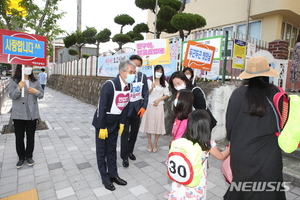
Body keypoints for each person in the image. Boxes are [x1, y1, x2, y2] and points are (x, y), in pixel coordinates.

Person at [224, 57, 286, 199]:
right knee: (268, 192)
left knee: (242, 190)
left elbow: (230, 127)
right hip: (269, 154)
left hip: (241, 154)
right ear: (267, 74)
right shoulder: (276, 93)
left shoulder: (237, 94)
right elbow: (283, 122)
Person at [92, 60, 136, 191]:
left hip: (115, 123)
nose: (133, 74)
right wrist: (102, 126)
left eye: (134, 72)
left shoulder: (128, 86)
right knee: (102, 151)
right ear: (122, 72)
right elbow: (102, 107)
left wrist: (122, 123)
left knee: (111, 150)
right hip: (103, 123)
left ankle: (113, 175)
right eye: (131, 72)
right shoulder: (110, 85)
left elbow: (125, 106)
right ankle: (105, 177)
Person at [167, 109, 230, 200]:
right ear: (206, 126)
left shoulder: (181, 140)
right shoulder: (207, 144)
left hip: (180, 179)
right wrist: (231, 148)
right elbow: (221, 156)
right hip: (196, 181)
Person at [8, 64, 44, 169]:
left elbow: (41, 94)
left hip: (32, 113)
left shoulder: (35, 81)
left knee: (30, 137)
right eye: (26, 65)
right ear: (20, 67)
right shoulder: (14, 81)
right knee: (19, 137)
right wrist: (19, 87)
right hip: (18, 114)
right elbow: (12, 96)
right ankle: (21, 157)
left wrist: (35, 91)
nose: (28, 67)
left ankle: (29, 156)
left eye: (30, 66)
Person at [120, 55, 149, 168]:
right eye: (134, 65)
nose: (136, 67)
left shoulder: (143, 77)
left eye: (138, 65)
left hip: (137, 109)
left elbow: (145, 93)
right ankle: (124, 156)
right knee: (124, 133)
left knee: (134, 133)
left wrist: (144, 106)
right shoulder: (124, 76)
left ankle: (130, 151)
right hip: (125, 109)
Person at [139, 65, 170, 152]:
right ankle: (149, 143)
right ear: (154, 71)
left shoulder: (164, 83)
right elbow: (146, 94)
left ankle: (155, 143)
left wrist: (158, 100)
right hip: (149, 105)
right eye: (157, 71)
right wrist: (151, 89)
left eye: (160, 71)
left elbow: (167, 94)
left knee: (158, 125)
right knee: (148, 124)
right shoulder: (149, 81)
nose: (159, 73)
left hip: (159, 106)